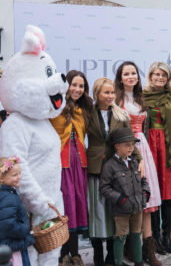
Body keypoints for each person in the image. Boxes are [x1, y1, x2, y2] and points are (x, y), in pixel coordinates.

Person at [87, 77, 143, 266]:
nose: (110, 96)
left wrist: (139, 159)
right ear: (97, 94)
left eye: (112, 92)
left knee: (114, 214)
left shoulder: (121, 115)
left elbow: (130, 139)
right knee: (96, 214)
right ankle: (97, 256)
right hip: (95, 167)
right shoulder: (88, 113)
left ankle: (112, 256)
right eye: (106, 92)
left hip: (116, 169)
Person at [114, 61, 162, 266]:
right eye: (126, 74)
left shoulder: (141, 97)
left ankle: (148, 250)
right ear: (120, 77)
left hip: (143, 147)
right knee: (131, 199)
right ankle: (130, 249)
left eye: (133, 73)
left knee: (147, 202)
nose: (131, 76)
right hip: (128, 150)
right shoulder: (117, 99)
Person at [50, 70, 93, 266]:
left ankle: (75, 253)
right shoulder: (55, 107)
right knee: (65, 206)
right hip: (61, 162)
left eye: (81, 86)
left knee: (77, 205)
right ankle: (63, 254)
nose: (77, 89)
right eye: (74, 85)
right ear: (66, 86)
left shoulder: (84, 109)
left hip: (80, 163)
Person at [143, 62, 171, 255]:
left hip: (170, 150)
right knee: (153, 194)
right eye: (156, 74)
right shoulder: (142, 97)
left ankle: (167, 235)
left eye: (163, 75)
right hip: (150, 148)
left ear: (168, 78)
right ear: (151, 76)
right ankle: (156, 239)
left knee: (169, 195)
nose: (159, 78)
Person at [99, 128, 150, 266]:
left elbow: (143, 180)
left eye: (133, 145)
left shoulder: (134, 162)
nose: (131, 148)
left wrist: (145, 194)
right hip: (121, 210)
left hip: (138, 206)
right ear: (117, 146)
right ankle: (118, 263)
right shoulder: (109, 165)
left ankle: (139, 263)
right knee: (120, 237)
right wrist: (121, 200)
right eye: (127, 145)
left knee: (136, 235)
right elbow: (104, 188)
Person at [0, 156, 34, 266]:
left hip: (11, 244)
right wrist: (25, 229)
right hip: (13, 247)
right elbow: (8, 224)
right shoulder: (7, 198)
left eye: (20, 173)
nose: (19, 177)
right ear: (1, 178)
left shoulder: (9, 193)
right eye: (15, 175)